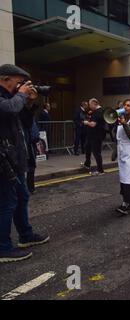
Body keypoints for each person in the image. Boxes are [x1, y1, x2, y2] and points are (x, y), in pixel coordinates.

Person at [0, 64, 50, 263]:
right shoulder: (6, 99)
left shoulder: (13, 99)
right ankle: (3, 248)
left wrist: (28, 104)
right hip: (3, 161)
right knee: (6, 203)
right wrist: (21, 95)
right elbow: (8, 109)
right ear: (5, 79)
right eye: (18, 82)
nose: (21, 86)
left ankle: (26, 236)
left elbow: (26, 124)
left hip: (16, 160)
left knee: (22, 197)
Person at [82, 98, 106, 176]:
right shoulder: (98, 111)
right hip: (92, 135)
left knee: (96, 153)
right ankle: (87, 164)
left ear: (94, 104)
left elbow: (93, 124)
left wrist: (86, 122)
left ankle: (100, 170)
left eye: (90, 104)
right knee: (87, 148)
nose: (89, 106)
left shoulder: (98, 112)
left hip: (96, 136)